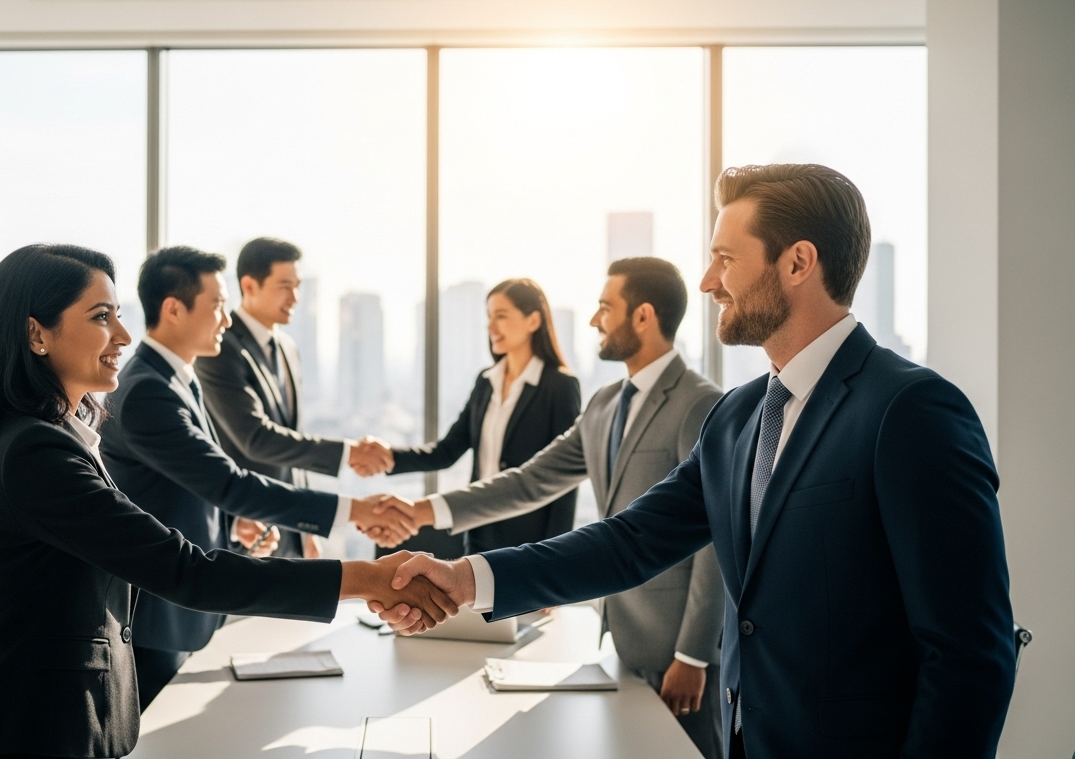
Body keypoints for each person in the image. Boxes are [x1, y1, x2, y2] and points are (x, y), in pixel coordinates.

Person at [379, 165, 1016, 759]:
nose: (709, 282)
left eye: (725, 259)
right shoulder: (738, 416)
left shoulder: (911, 410)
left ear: (798, 262)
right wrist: (468, 579)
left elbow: (970, 656)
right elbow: (630, 542)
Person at [0, 244, 453, 759]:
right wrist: (366, 578)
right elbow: (185, 569)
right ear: (36, 334)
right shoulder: (35, 453)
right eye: (101, 317)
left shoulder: (55, 438)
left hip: (62, 723)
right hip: (28, 733)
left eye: (118, 314)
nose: (123, 336)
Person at [378, 260, 726, 758]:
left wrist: (694, 654)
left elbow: (713, 540)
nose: (594, 320)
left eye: (605, 308)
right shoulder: (605, 403)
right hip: (622, 635)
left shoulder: (700, 403)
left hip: (677, 647)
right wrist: (423, 511)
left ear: (644, 316)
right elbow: (530, 480)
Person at [99, 245, 419, 709]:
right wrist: (355, 510)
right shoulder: (148, 391)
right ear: (173, 310)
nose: (226, 319)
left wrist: (233, 524)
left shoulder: (177, 380)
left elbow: (187, 485)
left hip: (183, 607)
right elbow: (230, 482)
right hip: (157, 614)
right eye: (217, 305)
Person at [195, 237, 393, 559]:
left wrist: (305, 531)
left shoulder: (288, 347)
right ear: (249, 285)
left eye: (298, 287)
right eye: (285, 286)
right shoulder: (220, 348)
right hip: (243, 528)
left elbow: (292, 440)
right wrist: (348, 452)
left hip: (288, 527)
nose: (295, 297)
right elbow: (255, 438)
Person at [383, 278, 581, 557]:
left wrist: (556, 559)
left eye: (501, 316)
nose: (490, 327)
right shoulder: (486, 382)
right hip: (478, 530)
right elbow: (447, 451)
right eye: (489, 317)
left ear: (533, 321)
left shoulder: (559, 386)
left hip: (530, 541)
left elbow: (564, 481)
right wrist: (387, 457)